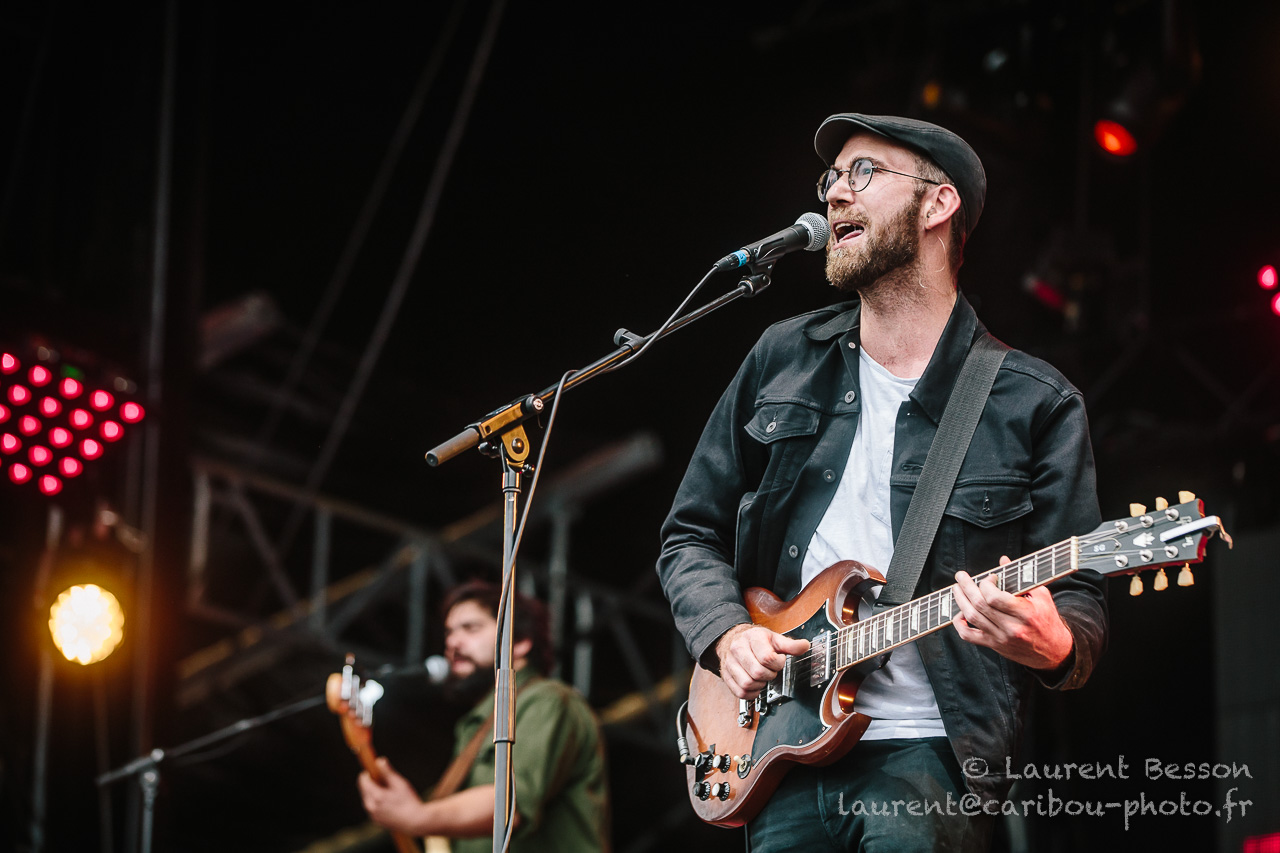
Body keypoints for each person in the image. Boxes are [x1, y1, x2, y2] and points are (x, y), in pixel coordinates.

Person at [657, 113, 1108, 852]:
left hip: (930, 758)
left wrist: (1055, 643)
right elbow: (689, 533)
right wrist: (728, 633)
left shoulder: (1033, 401)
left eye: (864, 172)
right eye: (832, 178)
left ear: (938, 204)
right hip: (780, 749)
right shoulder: (782, 357)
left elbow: (1080, 597)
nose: (837, 193)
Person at [357, 580, 610, 853]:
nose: (452, 642)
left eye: (470, 628)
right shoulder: (474, 724)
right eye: (449, 632)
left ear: (520, 642)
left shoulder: (548, 700)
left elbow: (508, 803)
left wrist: (418, 817)